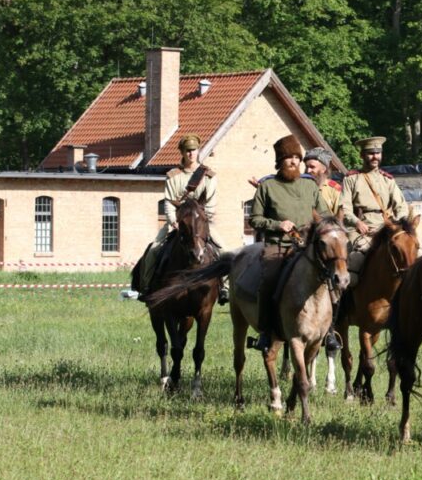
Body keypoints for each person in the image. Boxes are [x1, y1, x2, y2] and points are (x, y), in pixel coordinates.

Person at [248, 134, 331, 353]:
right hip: (279, 246)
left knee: (333, 279)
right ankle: (266, 332)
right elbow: (254, 219)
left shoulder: (309, 186)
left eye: (297, 157)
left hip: (308, 248)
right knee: (269, 281)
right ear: (279, 161)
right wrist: (277, 224)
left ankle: (330, 331)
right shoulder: (267, 187)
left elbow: (324, 214)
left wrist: (321, 228)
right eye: (288, 157)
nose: (293, 161)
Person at [137, 133, 228, 301]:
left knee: (224, 250)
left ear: (198, 151)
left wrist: (202, 223)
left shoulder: (208, 176)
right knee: (153, 250)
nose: (191, 154)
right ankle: (147, 287)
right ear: (182, 152)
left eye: (194, 150)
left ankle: (225, 288)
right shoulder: (173, 176)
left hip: (201, 223)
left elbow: (210, 205)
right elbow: (169, 203)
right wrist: (173, 222)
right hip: (178, 223)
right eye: (187, 150)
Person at [340, 136, 408, 252]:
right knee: (357, 257)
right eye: (370, 153)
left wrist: (394, 225)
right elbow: (344, 208)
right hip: (360, 230)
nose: (375, 157)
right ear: (362, 155)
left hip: (385, 229)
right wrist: (357, 223)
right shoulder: (351, 179)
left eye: (378, 153)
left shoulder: (388, 180)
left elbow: (401, 206)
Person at [304, 146, 342, 215]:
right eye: (306, 167)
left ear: (323, 169)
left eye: (312, 167)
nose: (308, 170)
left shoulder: (335, 190)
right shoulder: (300, 186)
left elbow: (339, 218)